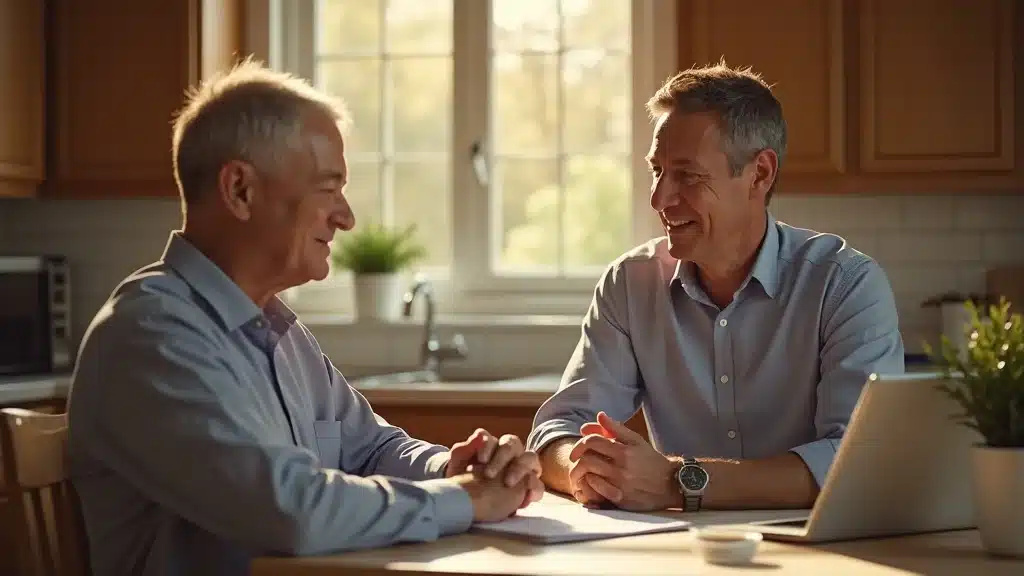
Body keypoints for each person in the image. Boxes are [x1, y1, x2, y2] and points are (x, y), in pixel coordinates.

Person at [67, 59, 544, 576]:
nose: (346, 216)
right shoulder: (151, 336)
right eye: (328, 188)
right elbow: (289, 510)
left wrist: (453, 468)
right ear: (240, 191)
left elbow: (371, 447)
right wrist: (465, 499)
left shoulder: (277, 331)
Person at [526, 62, 904, 513]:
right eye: (656, 170)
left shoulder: (845, 285)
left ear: (759, 174)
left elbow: (857, 460)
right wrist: (581, 467)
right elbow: (557, 429)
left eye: (687, 175)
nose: (659, 198)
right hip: (675, 549)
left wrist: (676, 482)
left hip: (814, 549)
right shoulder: (630, 283)